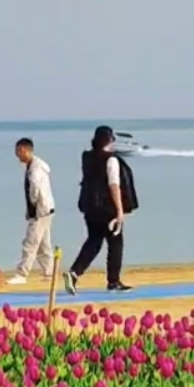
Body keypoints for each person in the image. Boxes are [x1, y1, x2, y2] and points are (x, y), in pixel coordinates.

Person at [64, 125, 139, 295]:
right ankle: (113, 281)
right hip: (107, 209)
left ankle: (74, 273)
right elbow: (114, 185)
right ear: (109, 140)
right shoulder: (110, 160)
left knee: (94, 241)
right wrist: (120, 210)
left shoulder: (88, 158)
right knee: (115, 244)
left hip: (90, 207)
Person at [7, 137, 55, 285]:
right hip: (45, 209)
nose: (17, 155)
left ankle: (22, 273)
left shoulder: (35, 169)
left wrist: (33, 205)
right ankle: (49, 272)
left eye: (18, 151)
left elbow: (34, 188)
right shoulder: (33, 166)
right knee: (43, 244)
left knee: (30, 243)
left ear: (25, 150)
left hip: (41, 211)